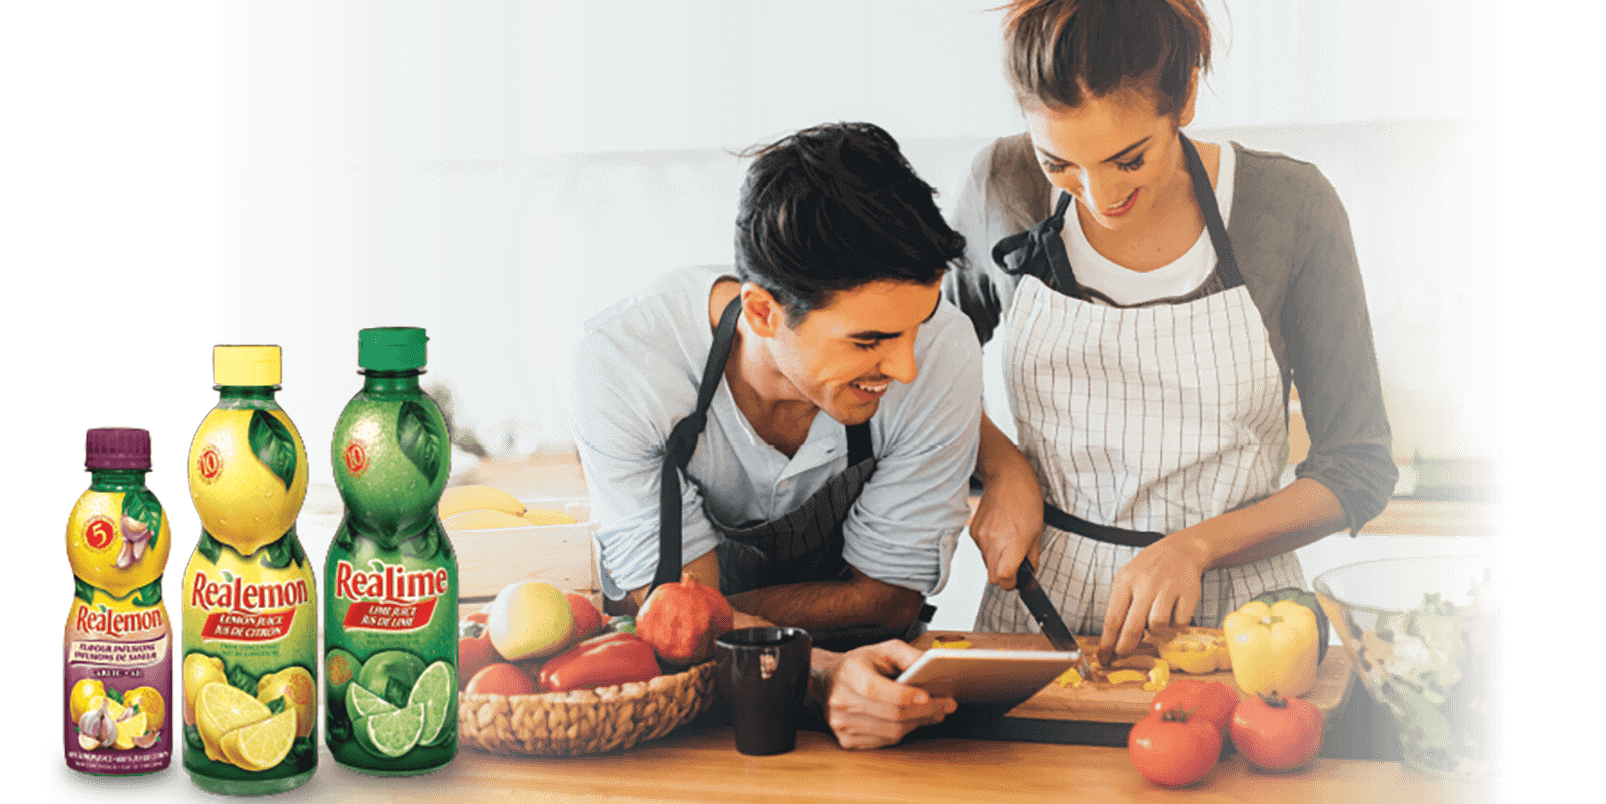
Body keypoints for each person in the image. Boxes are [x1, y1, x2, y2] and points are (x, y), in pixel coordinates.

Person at [944, 0, 1398, 665]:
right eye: (1060, 166)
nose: (1098, 198)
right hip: (1039, 617)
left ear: (1183, 96)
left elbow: (1357, 465)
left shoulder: (1288, 207)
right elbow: (924, 369)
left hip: (1243, 631)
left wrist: (1197, 546)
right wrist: (1002, 465)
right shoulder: (1000, 184)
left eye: (1129, 160)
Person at [569, 122, 981, 749]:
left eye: (916, 325)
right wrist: (818, 668)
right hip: (690, 720)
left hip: (884, 702)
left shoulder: (946, 348)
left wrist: (715, 609)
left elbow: (888, 603)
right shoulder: (626, 362)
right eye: (868, 340)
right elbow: (670, 622)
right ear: (763, 312)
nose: (906, 368)